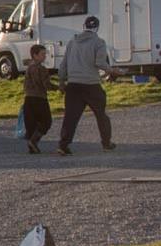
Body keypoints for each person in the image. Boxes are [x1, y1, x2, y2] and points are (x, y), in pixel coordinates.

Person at [56, 16, 115, 155]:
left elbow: (64, 64)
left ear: (84, 26)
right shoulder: (99, 42)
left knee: (70, 117)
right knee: (101, 115)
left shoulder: (72, 42)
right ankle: (106, 143)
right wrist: (112, 71)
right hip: (91, 84)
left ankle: (63, 145)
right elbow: (100, 63)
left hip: (73, 85)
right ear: (97, 28)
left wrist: (61, 81)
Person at [21, 44, 54, 154]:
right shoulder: (41, 69)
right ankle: (33, 141)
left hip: (28, 98)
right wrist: (60, 87)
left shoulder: (29, 68)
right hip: (39, 99)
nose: (44, 56)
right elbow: (46, 85)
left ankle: (32, 144)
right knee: (46, 122)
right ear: (35, 55)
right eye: (42, 54)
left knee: (32, 123)